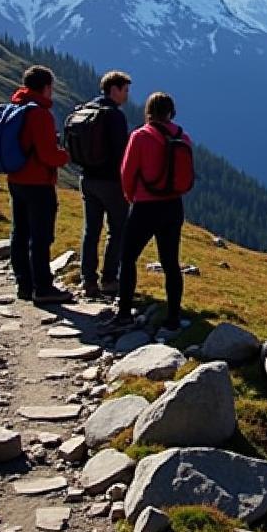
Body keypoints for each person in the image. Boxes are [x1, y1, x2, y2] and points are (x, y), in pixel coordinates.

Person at [102, 92, 193, 334]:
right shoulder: (182, 137)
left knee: (128, 257)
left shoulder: (140, 136)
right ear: (171, 112)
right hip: (173, 206)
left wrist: (131, 197)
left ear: (148, 111)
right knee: (170, 262)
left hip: (146, 206)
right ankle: (174, 318)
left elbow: (127, 172)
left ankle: (123, 315)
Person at [7, 65, 71, 304]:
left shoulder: (16, 107)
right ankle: (43, 287)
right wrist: (65, 156)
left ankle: (24, 284)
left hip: (16, 179)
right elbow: (48, 155)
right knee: (41, 236)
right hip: (38, 183)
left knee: (20, 232)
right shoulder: (40, 114)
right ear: (46, 88)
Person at [75, 70, 131, 299]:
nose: (127, 96)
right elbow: (122, 152)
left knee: (91, 230)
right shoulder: (114, 115)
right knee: (117, 230)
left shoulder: (86, 111)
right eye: (125, 90)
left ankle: (88, 280)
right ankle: (109, 278)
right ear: (114, 89)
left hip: (87, 178)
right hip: (110, 181)